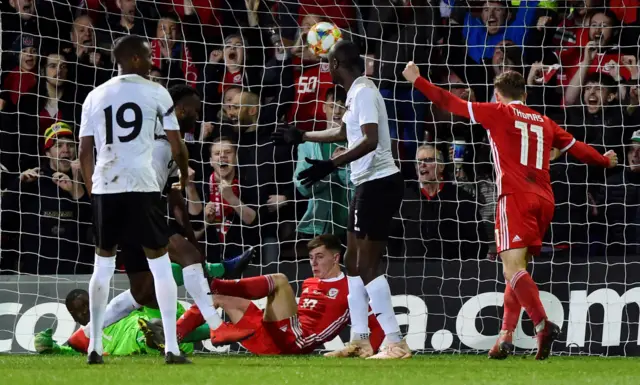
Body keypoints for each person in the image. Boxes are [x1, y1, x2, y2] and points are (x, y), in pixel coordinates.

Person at [402, 62, 618, 360]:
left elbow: (449, 102)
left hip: (514, 197)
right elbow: (577, 148)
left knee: (511, 268)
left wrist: (417, 80)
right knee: (517, 270)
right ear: (525, 94)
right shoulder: (543, 120)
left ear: (496, 93)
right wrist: (604, 161)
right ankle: (505, 335)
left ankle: (542, 324)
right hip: (545, 199)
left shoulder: (497, 112)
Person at [272, 40, 409, 359]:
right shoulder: (356, 93)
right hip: (365, 184)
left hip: (379, 182)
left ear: (336, 65)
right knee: (351, 263)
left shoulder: (364, 91)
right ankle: (360, 339)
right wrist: (303, 136)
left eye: (327, 64)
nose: (325, 69)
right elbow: (344, 134)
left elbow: (371, 140)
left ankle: (395, 340)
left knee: (366, 264)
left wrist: (332, 163)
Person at [78, 34, 190, 364]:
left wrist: (91, 188)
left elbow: (85, 150)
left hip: (106, 188)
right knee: (159, 265)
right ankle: (171, 347)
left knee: (103, 265)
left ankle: (94, 346)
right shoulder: (156, 92)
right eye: (147, 54)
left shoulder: (95, 96)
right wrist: (182, 174)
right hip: (141, 186)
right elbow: (176, 143)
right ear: (134, 59)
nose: (152, 59)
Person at [139, 234, 385, 355]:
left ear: (336, 258)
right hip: (273, 338)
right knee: (214, 300)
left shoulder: (352, 288)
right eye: (310, 258)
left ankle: (216, 280)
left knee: (278, 280)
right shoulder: (310, 282)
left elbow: (377, 324)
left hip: (296, 342)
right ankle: (173, 337)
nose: (314, 263)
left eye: (319, 257)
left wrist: (369, 350)